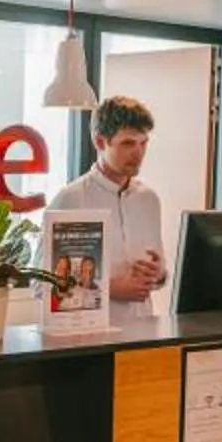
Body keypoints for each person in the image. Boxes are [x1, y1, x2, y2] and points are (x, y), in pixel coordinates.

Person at [47, 94, 166, 324]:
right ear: (100, 143)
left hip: (143, 335)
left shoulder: (149, 199)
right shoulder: (71, 199)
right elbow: (43, 284)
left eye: (144, 143)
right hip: (89, 339)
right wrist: (111, 289)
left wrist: (157, 275)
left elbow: (160, 274)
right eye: (128, 143)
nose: (139, 153)